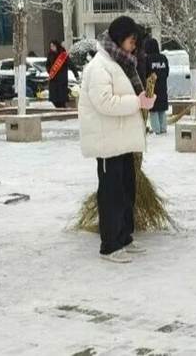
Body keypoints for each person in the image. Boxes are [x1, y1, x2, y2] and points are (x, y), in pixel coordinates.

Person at [79, 16, 156, 263]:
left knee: (125, 191)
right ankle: (110, 245)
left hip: (121, 139)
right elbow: (105, 103)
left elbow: (126, 94)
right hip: (107, 141)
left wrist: (143, 98)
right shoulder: (99, 66)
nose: (134, 46)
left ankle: (124, 237)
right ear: (119, 38)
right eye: (131, 41)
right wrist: (137, 102)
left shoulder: (121, 63)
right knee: (111, 194)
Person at [144, 38, 169, 134]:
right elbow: (167, 72)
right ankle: (163, 128)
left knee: (153, 109)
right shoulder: (163, 58)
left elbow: (145, 73)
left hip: (152, 88)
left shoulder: (147, 59)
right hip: (162, 87)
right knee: (162, 109)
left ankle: (156, 130)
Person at [46, 40, 79, 108]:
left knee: (61, 98)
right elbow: (47, 64)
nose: (52, 48)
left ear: (57, 46)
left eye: (53, 46)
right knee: (54, 98)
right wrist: (49, 71)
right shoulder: (50, 54)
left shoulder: (63, 54)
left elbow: (71, 65)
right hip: (53, 79)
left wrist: (76, 75)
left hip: (62, 79)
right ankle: (58, 108)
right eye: (51, 46)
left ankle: (63, 109)